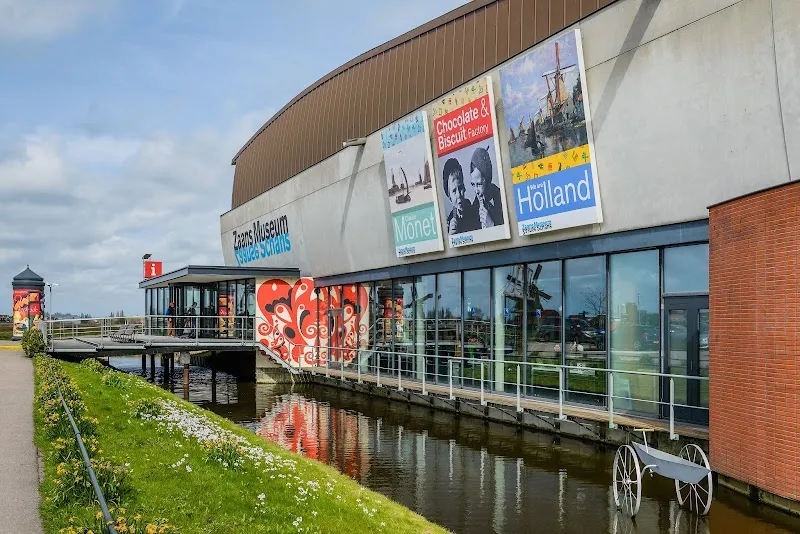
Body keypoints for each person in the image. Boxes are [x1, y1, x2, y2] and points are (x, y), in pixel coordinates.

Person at [469, 146, 504, 228]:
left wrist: (491, 224)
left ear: (487, 181)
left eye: (479, 184)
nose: (476, 191)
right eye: (473, 184)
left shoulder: (501, 198)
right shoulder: (474, 207)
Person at [442, 157, 478, 235]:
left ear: (464, 188)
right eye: (454, 191)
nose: (458, 195)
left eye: (460, 187)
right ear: (450, 197)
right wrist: (451, 237)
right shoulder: (449, 224)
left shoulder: (475, 211)